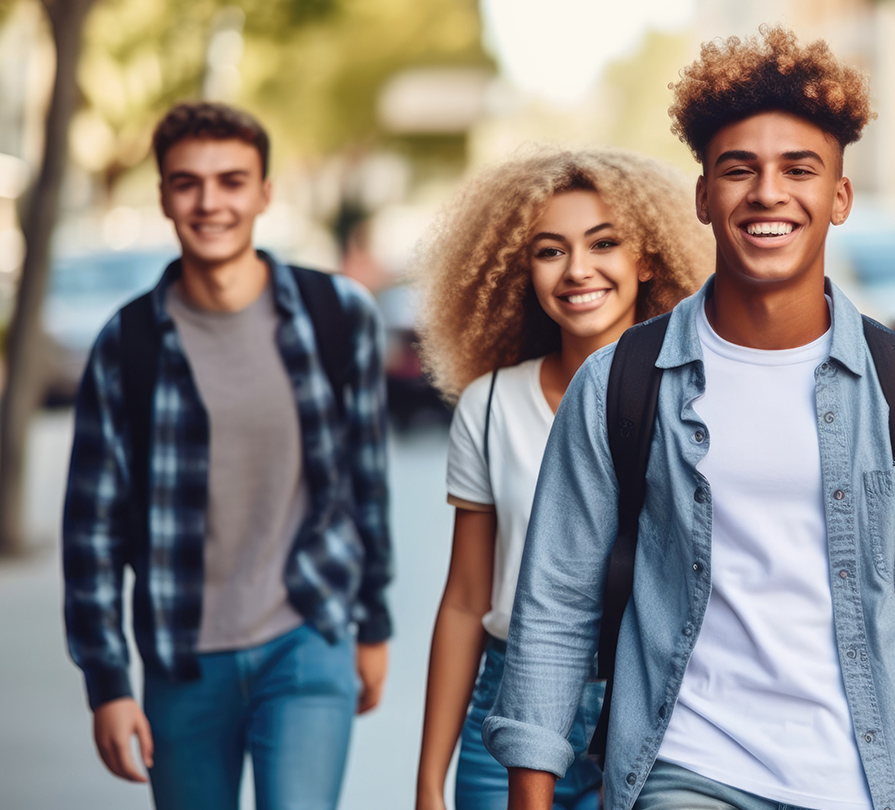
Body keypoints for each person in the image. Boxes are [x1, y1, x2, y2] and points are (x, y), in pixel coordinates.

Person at [481, 27, 895, 810]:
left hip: (861, 782)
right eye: (738, 169)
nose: (768, 193)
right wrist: (531, 791)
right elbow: (557, 600)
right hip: (684, 769)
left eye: (799, 170)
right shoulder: (621, 385)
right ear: (704, 196)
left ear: (839, 197)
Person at [62, 101, 393, 810]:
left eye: (232, 180)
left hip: (306, 634)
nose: (210, 202)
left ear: (264, 193)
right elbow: (90, 533)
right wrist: (108, 683)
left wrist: (373, 625)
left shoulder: (338, 315)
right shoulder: (127, 347)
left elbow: (366, 483)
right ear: (163, 196)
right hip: (183, 655)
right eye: (187, 183)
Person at [412, 147, 710, 810]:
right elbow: (465, 600)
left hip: (658, 706)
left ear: (649, 257)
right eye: (550, 250)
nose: (578, 269)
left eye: (604, 243)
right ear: (521, 270)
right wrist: (431, 777)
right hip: (512, 703)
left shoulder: (697, 399)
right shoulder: (490, 406)